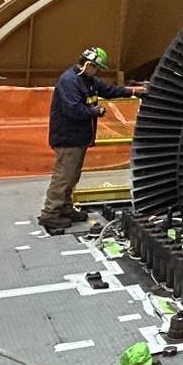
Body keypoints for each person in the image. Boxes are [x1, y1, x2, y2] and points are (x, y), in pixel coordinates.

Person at [41, 46, 134, 234]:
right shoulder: (69, 81)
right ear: (89, 65)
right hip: (68, 138)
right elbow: (73, 109)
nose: (97, 72)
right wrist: (95, 111)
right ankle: (50, 214)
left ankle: (65, 208)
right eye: (97, 68)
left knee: (72, 176)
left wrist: (132, 92)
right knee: (63, 177)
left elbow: (107, 90)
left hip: (78, 138)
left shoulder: (86, 80)